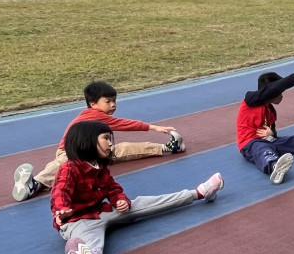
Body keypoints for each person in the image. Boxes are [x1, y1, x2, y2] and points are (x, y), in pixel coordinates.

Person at [51, 120, 223, 254]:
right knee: (91, 241)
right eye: (106, 138)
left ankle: (198, 193)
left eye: (110, 139)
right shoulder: (69, 168)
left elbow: (113, 188)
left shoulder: (100, 167)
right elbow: (60, 191)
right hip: (76, 220)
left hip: (101, 211)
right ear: (86, 141)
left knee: (142, 203)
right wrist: (62, 210)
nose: (110, 143)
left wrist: (121, 200)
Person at [12, 81, 186, 202]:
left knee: (121, 149)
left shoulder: (97, 115)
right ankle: (35, 184)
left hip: (94, 152)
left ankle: (168, 147)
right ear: (93, 104)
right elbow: (125, 124)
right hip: (71, 151)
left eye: (114, 101)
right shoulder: (95, 115)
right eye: (108, 101)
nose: (113, 105)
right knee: (65, 164)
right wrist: (154, 127)